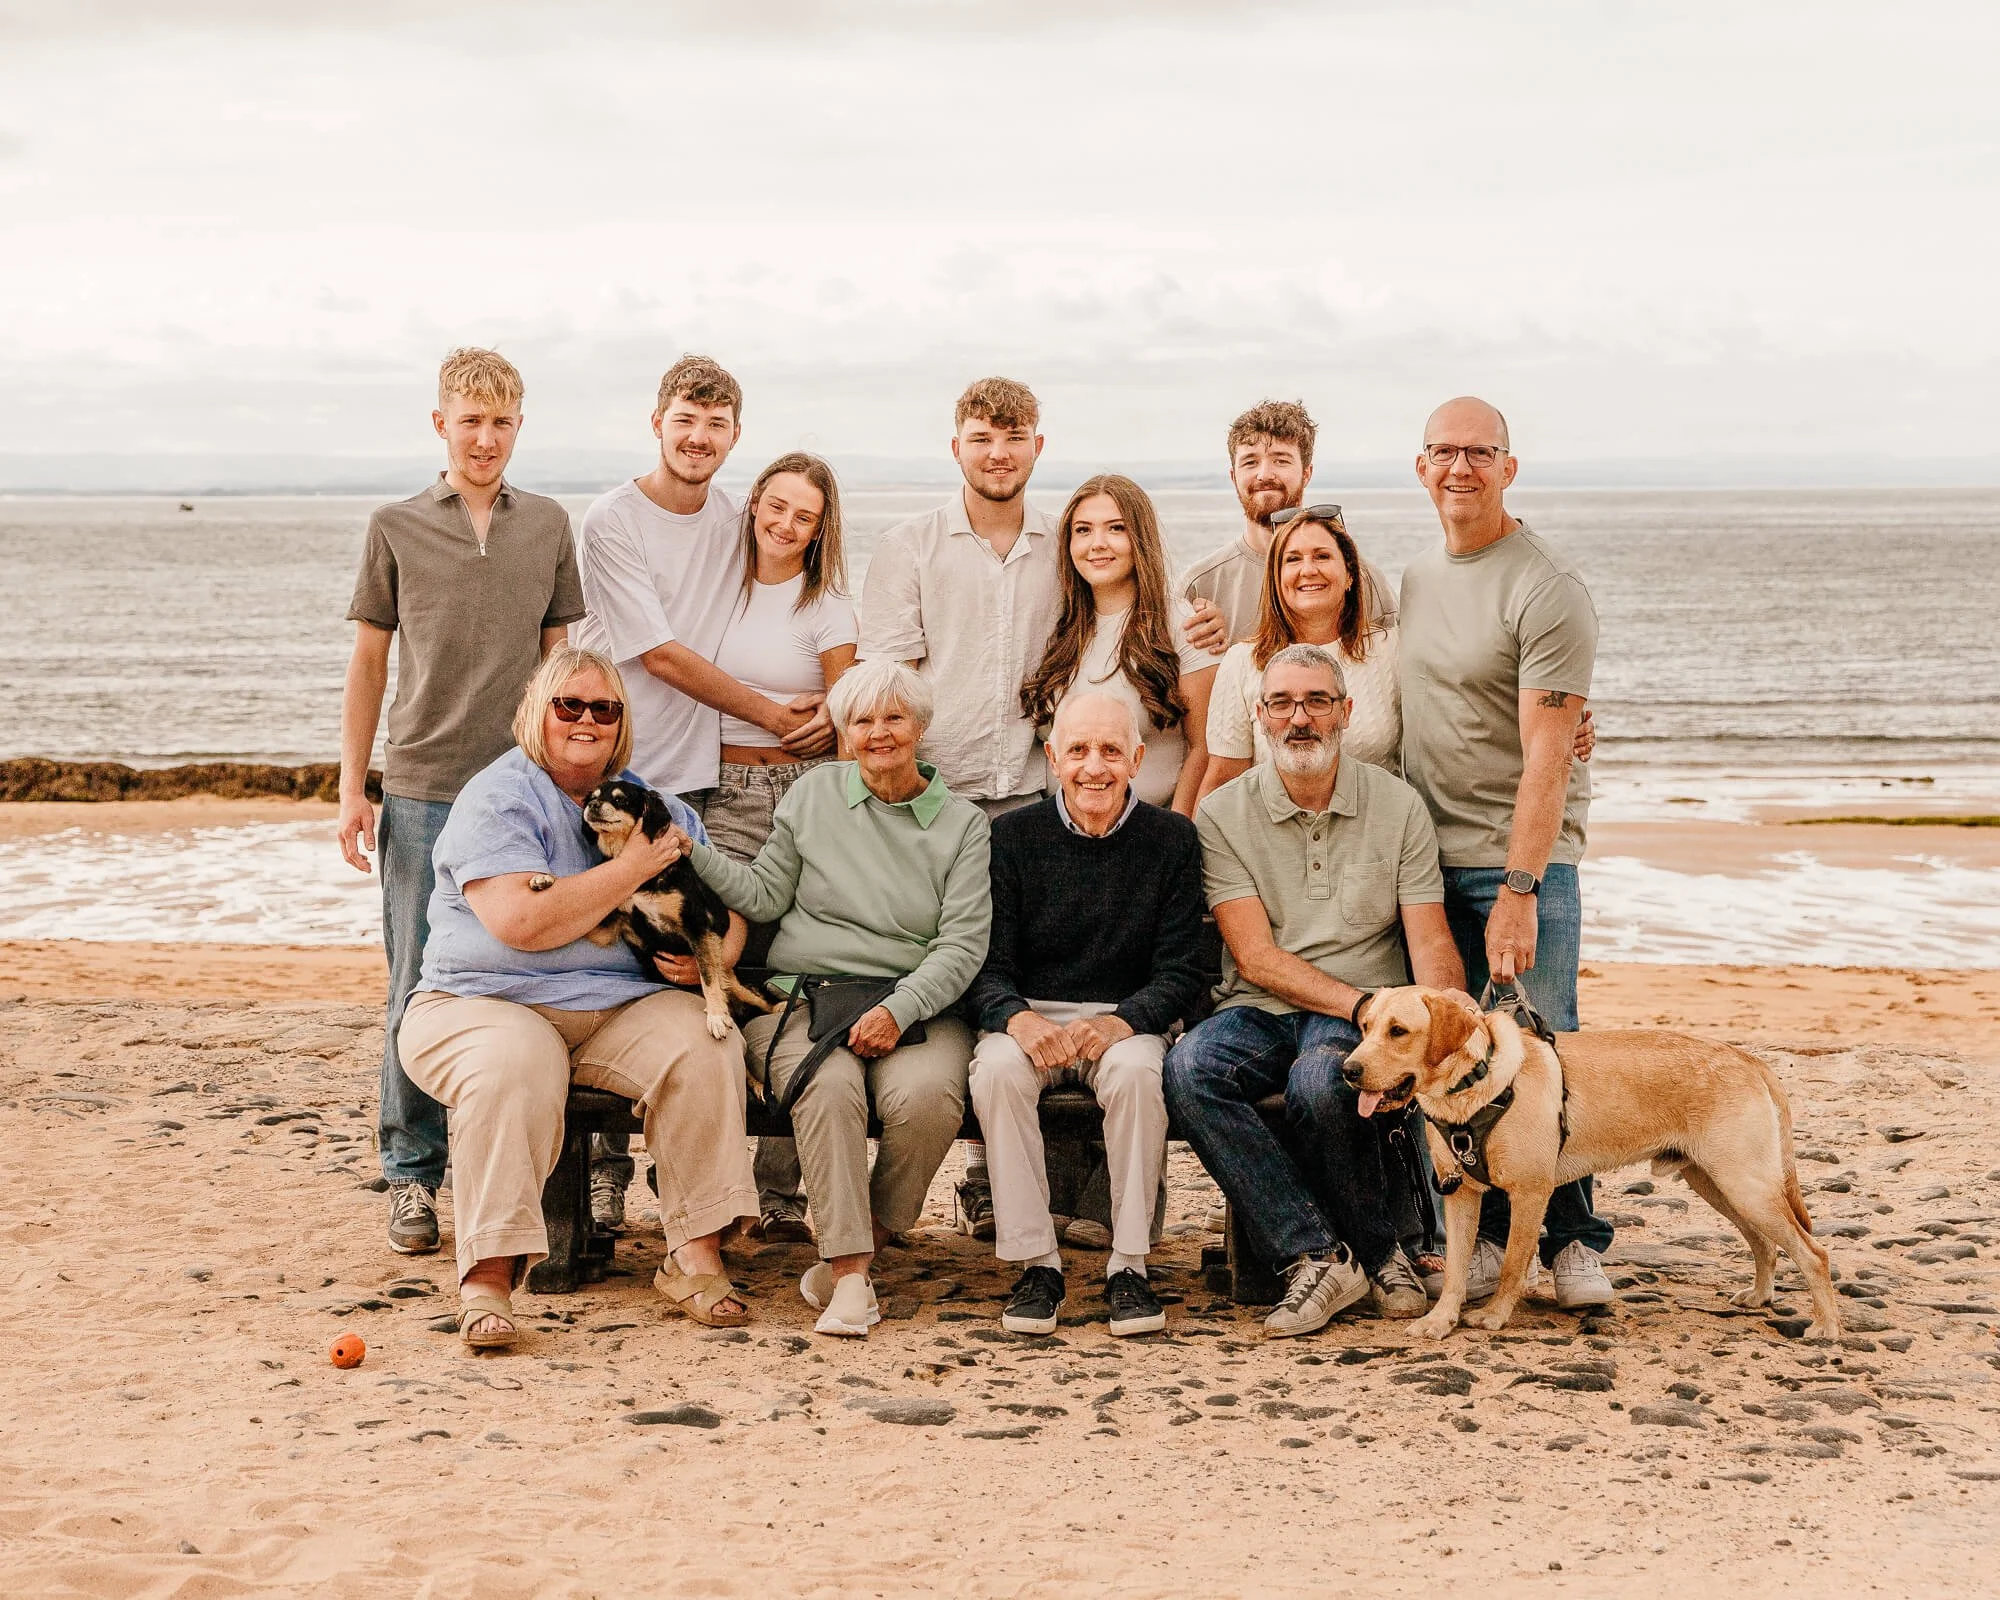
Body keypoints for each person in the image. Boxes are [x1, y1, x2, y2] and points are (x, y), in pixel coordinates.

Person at [395, 646, 759, 1349]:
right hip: (483, 1002)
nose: (587, 719)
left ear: (622, 723)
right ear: (537, 714)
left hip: (619, 1005)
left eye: (605, 708)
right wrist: (632, 867)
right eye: (570, 705)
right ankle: (488, 1278)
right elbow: (523, 923)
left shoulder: (660, 807)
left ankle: (695, 1254)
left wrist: (721, 953)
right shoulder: (498, 797)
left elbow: (730, 905)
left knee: (703, 1044)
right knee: (513, 1067)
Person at [568, 357, 833, 1226]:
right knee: (609, 966)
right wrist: (778, 715)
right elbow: (661, 656)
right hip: (619, 770)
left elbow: (791, 596)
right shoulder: (613, 520)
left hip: (705, 783)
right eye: (686, 419)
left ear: (735, 438)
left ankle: (753, 1181)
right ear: (657, 420)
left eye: (716, 426)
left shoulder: (733, 517)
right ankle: (602, 1170)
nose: (698, 438)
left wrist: (840, 703)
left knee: (714, 964)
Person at [338, 347, 585, 1258]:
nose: (486, 438)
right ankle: (411, 1178)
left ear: (519, 427)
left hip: (528, 793)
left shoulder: (550, 523)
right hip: (423, 788)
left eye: (502, 422)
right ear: (440, 424)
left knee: (537, 976)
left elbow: (563, 664)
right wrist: (351, 790)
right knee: (419, 981)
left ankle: (545, 1170)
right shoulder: (396, 525)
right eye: (470, 421)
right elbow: (368, 666)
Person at [1163, 644, 1467, 1338]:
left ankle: (1378, 1253)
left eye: (1316, 702)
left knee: (1323, 1082)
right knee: (1188, 1069)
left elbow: (1428, 938)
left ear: (1346, 713)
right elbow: (1256, 956)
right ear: (1260, 716)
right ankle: (1322, 1256)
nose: (1299, 718)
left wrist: (1450, 1020)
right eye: (1282, 703)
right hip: (1263, 1005)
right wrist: (1358, 1005)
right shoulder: (1221, 814)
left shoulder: (1398, 807)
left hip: (1364, 1016)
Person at [683, 659, 991, 1338]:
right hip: (801, 996)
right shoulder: (814, 794)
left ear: (919, 726)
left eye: (893, 717)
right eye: (862, 720)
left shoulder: (964, 824)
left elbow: (962, 947)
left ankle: (864, 1243)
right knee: (829, 1090)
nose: (878, 732)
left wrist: (898, 1009)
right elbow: (763, 894)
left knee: (928, 1099)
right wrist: (691, 851)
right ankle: (851, 1277)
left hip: (918, 1004)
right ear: (844, 733)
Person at [1398, 396, 1613, 1311]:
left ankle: (1573, 1243)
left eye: (1479, 453)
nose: (1460, 468)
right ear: (1421, 467)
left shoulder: (1546, 585)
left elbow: (1545, 752)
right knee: (1449, 1064)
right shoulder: (1413, 578)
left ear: (1509, 467)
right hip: (1419, 864)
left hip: (1517, 865)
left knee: (1540, 1057)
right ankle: (1482, 1243)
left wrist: (1521, 887)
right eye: (1443, 452)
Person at [858, 375, 1061, 1239]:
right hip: (933, 794)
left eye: (1014, 437)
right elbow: (887, 676)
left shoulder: (1064, 542)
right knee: (919, 959)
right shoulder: (909, 545)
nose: (998, 452)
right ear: (956, 447)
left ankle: (986, 1173)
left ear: (1037, 447)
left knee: (1017, 970)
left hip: (1030, 788)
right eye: (982, 436)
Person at [966, 693, 1207, 1337]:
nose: (1093, 767)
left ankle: (1128, 1266)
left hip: (1125, 1021)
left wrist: (1122, 1022)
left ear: (1136, 758)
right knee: (995, 1074)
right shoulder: (1010, 838)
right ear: (1052, 760)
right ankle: (1036, 1264)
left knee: (1135, 1076)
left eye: (1109, 751)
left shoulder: (1172, 840)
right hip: (1032, 1017)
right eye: (1077, 750)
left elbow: (1185, 968)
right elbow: (982, 961)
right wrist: (1015, 1018)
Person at [703, 452, 858, 1244]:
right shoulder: (712, 585)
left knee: (791, 975)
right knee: (714, 969)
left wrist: (825, 727)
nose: (785, 524)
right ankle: (702, 1177)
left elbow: (845, 708)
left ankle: (780, 1188)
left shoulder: (826, 604)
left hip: (798, 788)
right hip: (717, 790)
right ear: (754, 503)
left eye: (805, 514)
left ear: (821, 526)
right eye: (776, 505)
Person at [1019, 475, 1217, 815]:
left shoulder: (1182, 625)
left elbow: (1204, 748)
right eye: (1083, 530)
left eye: (1115, 528)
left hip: (1149, 835)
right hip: (1062, 835)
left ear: (1139, 537)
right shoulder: (1056, 626)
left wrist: (1179, 831)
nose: (1097, 543)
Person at [1198, 505, 1399, 797]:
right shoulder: (1243, 662)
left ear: (1350, 575)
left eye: (1322, 556)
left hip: (1376, 832)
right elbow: (1222, 781)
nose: (1308, 570)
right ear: (1276, 580)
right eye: (1292, 559)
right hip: (1271, 836)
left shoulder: (1389, 649)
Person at [1179, 400, 1396, 655]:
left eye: (1281, 460)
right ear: (1233, 476)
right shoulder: (1201, 586)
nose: (1264, 474)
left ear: (1306, 473)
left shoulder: (1360, 578)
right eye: (1250, 462)